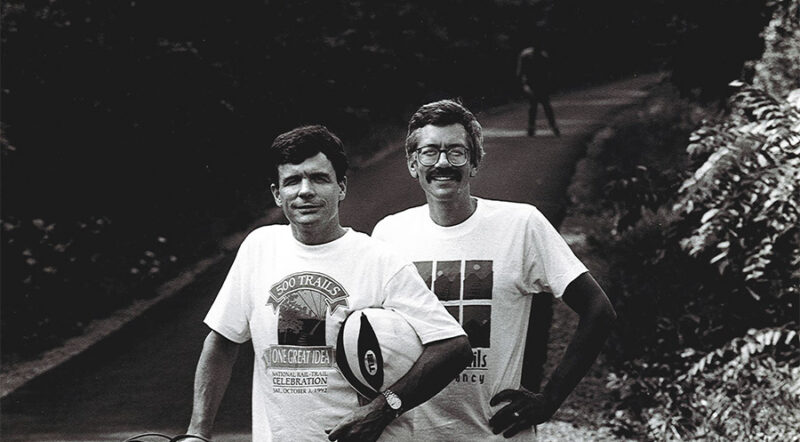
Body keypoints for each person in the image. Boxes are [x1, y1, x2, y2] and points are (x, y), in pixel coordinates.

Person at [185, 125, 472, 442]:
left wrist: (384, 408)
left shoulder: (379, 260)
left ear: (342, 187)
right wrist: (197, 432)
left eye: (319, 178)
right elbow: (223, 342)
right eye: (292, 181)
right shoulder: (259, 248)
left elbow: (454, 348)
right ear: (277, 194)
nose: (305, 191)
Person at [372, 100, 616, 440]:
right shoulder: (389, 233)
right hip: (412, 434)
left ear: (474, 162)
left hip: (496, 434)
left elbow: (598, 310)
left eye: (456, 152)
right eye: (430, 152)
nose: (443, 162)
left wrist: (550, 400)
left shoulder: (521, 224)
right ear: (413, 164)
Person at [516, 46, 560, 137]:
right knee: (535, 106)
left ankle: (551, 126)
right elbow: (521, 71)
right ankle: (533, 127)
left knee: (544, 105)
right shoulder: (526, 55)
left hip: (541, 83)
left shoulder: (543, 55)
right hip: (531, 83)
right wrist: (524, 84)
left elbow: (548, 71)